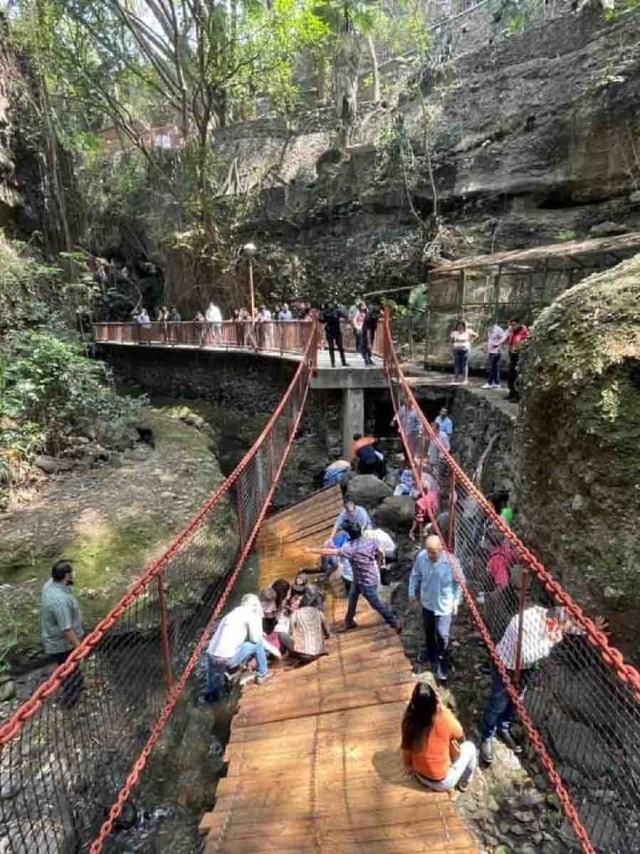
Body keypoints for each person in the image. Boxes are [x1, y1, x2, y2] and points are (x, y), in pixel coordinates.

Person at [480, 605, 575, 763]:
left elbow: (569, 627)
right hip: (507, 665)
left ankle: (503, 726)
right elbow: (525, 656)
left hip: (526, 669)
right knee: (497, 703)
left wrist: (589, 629)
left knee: (516, 700)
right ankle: (487, 735)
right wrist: (549, 643)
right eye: (560, 630)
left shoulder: (551, 619)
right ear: (552, 623)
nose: (561, 635)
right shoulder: (524, 624)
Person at [308, 521, 401, 632]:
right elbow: (380, 550)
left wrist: (311, 550)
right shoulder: (370, 540)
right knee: (352, 598)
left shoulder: (350, 548)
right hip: (362, 577)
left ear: (349, 535)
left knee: (376, 604)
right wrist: (381, 562)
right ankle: (349, 622)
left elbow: (330, 552)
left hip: (366, 581)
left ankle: (394, 622)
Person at [402, 682, 477, 794]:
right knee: (470, 747)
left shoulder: (409, 720)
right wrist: (443, 708)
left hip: (420, 775)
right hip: (442, 782)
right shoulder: (443, 717)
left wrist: (408, 765)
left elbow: (406, 749)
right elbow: (460, 735)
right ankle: (464, 782)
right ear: (434, 702)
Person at [408, 535, 463, 681]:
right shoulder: (422, 557)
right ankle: (431, 654)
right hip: (427, 602)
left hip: (444, 605)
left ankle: (441, 661)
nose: (430, 555)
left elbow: (460, 583)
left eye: (433, 552)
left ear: (441, 548)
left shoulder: (452, 562)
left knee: (442, 634)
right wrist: (411, 591)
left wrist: (456, 602)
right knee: (429, 630)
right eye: (428, 551)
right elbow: (415, 574)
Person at [205, 594, 271, 701]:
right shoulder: (249, 614)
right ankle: (262, 674)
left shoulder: (230, 615)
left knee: (212, 685)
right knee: (258, 644)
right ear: (253, 605)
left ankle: (211, 700)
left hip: (211, 655)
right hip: (227, 659)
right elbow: (254, 639)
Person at [41, 561, 85, 706]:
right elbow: (66, 629)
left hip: (56, 638)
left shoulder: (50, 585)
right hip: (62, 644)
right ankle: (70, 698)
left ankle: (79, 683)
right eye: (71, 573)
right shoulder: (60, 601)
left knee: (72, 667)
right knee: (68, 670)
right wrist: (80, 647)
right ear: (66, 576)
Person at [286, 587, 331, 664]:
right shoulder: (319, 613)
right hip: (319, 652)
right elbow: (327, 632)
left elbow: (290, 633)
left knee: (283, 635)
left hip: (303, 655)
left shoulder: (295, 615)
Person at [505, 319, 530, 402]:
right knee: (510, 376)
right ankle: (511, 393)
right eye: (511, 324)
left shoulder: (524, 332)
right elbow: (509, 341)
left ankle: (517, 396)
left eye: (514, 324)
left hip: (520, 357)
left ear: (519, 324)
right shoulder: (512, 331)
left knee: (517, 377)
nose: (512, 326)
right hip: (512, 356)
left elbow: (525, 343)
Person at [321, 303, 349, 368]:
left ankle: (343, 361)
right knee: (331, 348)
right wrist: (324, 317)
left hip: (337, 331)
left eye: (332, 304)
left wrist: (347, 321)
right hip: (329, 331)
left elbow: (345, 315)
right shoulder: (325, 311)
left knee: (341, 347)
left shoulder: (337, 311)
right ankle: (332, 363)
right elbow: (321, 320)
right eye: (330, 304)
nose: (331, 305)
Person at [482, 322, 506, 389]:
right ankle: (497, 382)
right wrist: (486, 347)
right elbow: (488, 339)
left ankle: (489, 383)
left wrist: (498, 343)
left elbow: (504, 337)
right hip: (490, 351)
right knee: (495, 367)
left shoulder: (498, 329)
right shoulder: (489, 329)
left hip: (496, 351)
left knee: (492, 367)